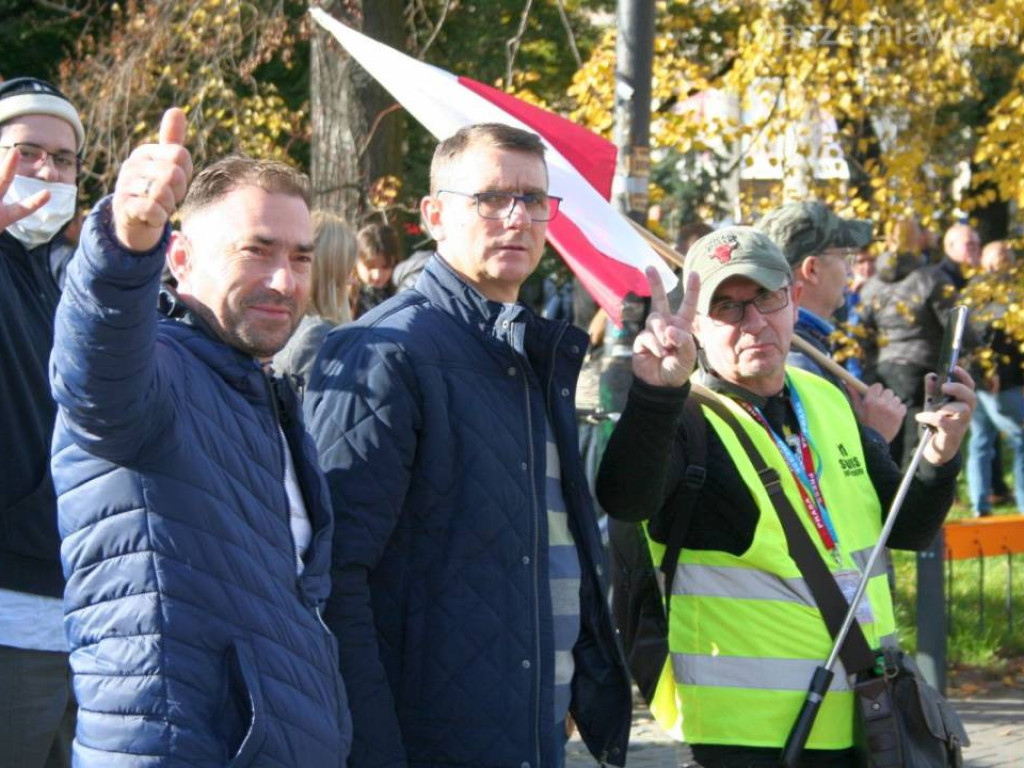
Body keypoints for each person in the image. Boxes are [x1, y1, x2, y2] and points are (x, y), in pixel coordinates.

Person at [305, 122, 631, 768]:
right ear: (434, 215)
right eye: (491, 198)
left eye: (535, 200)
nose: (517, 217)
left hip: (528, 733)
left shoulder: (525, 354)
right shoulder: (385, 352)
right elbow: (332, 581)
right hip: (426, 743)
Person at [596, 227, 974, 768]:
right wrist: (657, 394)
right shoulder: (685, 418)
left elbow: (907, 530)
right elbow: (625, 500)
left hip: (867, 716)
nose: (753, 323)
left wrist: (940, 455)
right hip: (752, 736)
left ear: (792, 303)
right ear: (696, 326)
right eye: (725, 307)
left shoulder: (828, 399)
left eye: (765, 300)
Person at [49, 109, 351, 767]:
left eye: (300, 257)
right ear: (179, 258)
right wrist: (123, 242)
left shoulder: (257, 391)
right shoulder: (156, 368)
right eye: (256, 250)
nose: (285, 281)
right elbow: (93, 370)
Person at [0, 76, 84, 768]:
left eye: (65, 160)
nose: (49, 173)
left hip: (82, 610)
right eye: (29, 152)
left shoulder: (64, 275)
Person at [756, 201, 906, 443]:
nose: (850, 270)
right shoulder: (794, 360)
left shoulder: (802, 346)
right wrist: (873, 436)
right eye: (844, 256)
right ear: (812, 269)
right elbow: (818, 471)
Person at [860, 223, 978, 467]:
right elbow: (956, 325)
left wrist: (870, 366)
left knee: (885, 441)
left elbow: (862, 332)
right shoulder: (931, 278)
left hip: (883, 369)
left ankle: (888, 497)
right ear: (917, 241)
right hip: (922, 368)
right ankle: (912, 498)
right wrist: (976, 352)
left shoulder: (871, 285)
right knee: (918, 443)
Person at [966, 240, 1024, 516]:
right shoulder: (1001, 293)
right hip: (998, 380)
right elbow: (988, 334)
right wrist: (991, 372)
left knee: (981, 440)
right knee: (1020, 438)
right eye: (1006, 258)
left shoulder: (971, 291)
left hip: (978, 378)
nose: (1010, 264)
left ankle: (980, 505)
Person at [272, 209, 357, 386]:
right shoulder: (317, 337)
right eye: (348, 268)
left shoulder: (284, 325)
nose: (353, 280)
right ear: (334, 272)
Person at [353, 221, 398, 316]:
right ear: (356, 263)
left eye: (385, 267)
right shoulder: (345, 299)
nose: (377, 275)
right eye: (370, 268)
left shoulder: (402, 291)